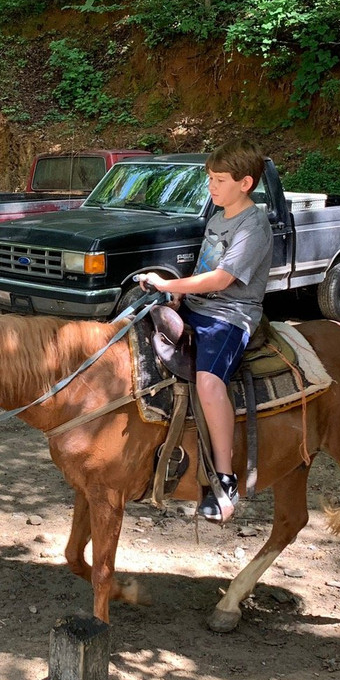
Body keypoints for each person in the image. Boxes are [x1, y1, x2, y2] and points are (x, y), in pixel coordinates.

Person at [136, 140, 273, 523]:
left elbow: (222, 277)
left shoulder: (253, 225)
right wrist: (178, 299)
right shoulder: (217, 217)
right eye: (210, 178)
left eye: (220, 179)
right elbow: (202, 269)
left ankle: (225, 478)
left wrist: (167, 286)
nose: (211, 186)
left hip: (231, 315)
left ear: (245, 183)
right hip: (199, 307)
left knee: (210, 383)